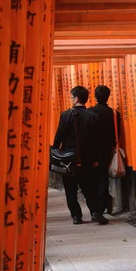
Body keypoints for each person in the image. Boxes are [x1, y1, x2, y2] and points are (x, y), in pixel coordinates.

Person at [53, 86, 108, 225]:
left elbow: (58, 138)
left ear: (76, 98)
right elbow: (97, 141)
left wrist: (56, 153)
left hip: (68, 159)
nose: (71, 99)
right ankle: (95, 212)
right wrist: (96, 159)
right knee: (89, 187)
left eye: (71, 97)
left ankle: (76, 216)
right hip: (87, 157)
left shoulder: (65, 115)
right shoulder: (92, 116)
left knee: (70, 189)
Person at [89, 85, 121, 216]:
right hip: (108, 149)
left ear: (95, 96)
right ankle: (104, 203)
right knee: (103, 176)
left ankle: (99, 206)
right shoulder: (114, 113)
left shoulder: (90, 112)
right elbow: (117, 134)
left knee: (94, 177)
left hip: (91, 149)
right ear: (108, 96)